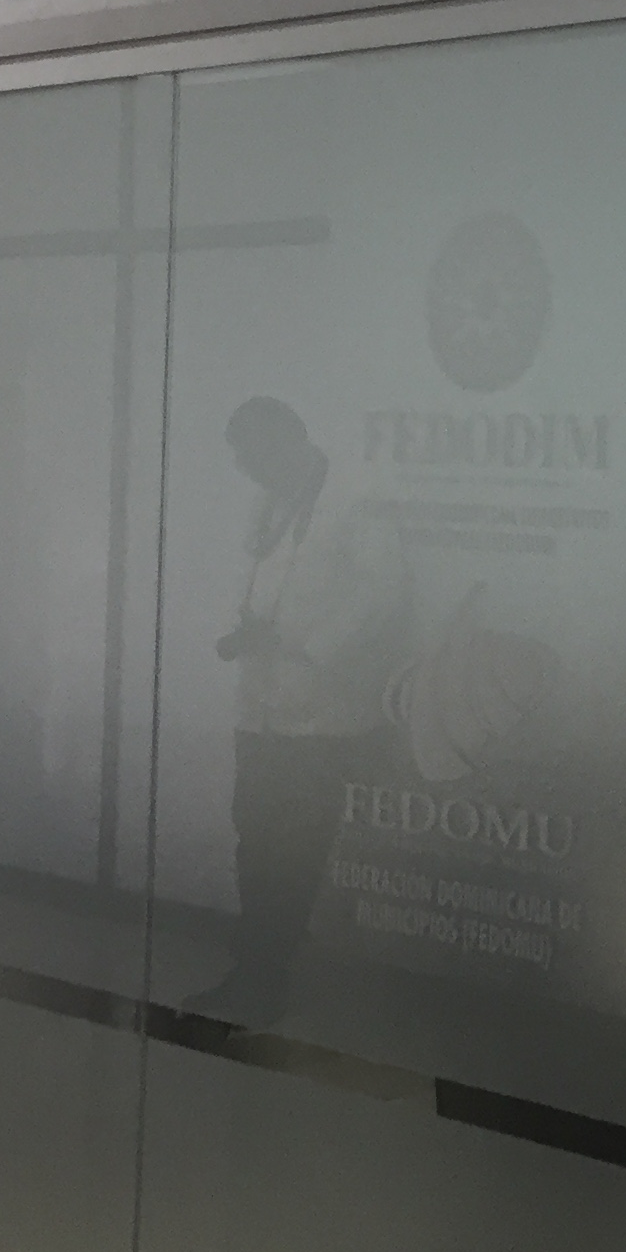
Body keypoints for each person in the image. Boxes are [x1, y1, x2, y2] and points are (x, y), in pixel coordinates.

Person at [211, 395, 410, 1022]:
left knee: (293, 846)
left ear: (292, 439)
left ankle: (265, 972)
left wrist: (306, 648)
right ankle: (257, 956)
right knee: (253, 833)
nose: (247, 469)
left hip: (319, 714)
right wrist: (247, 633)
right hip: (261, 705)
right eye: (241, 459)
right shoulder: (270, 501)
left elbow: (383, 593)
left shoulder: (355, 497)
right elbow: (263, 582)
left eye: (255, 454)